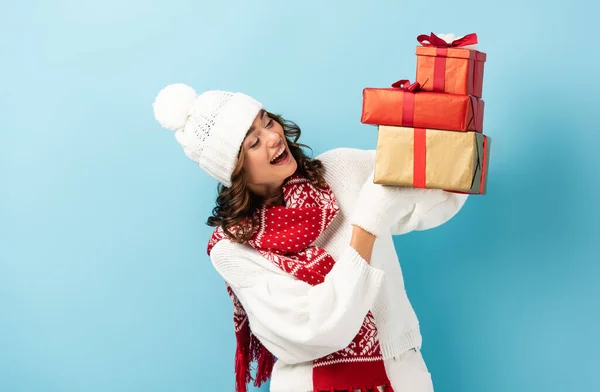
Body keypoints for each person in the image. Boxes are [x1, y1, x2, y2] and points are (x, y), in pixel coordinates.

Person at [152, 83, 469, 392]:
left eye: (267, 121)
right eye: (253, 142)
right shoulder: (232, 251)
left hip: (401, 373)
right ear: (235, 170)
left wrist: (449, 109)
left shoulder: (342, 170)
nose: (274, 137)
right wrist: (368, 223)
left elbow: (436, 188)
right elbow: (315, 329)